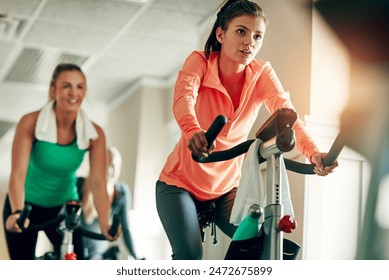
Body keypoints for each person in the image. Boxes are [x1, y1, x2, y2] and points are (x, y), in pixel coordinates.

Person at [155, 0, 338, 260]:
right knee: (189, 258)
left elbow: (288, 116)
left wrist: (314, 154)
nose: (249, 41)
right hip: (179, 184)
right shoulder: (200, 62)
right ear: (221, 34)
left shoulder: (261, 73)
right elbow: (183, 98)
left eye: (257, 36)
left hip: (225, 188)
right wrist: (194, 131)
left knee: (265, 245)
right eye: (241, 31)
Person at [2, 63, 117, 260]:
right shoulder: (30, 122)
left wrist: (105, 223)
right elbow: (18, 174)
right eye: (66, 86)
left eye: (79, 87)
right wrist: (17, 212)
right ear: (53, 89)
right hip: (24, 204)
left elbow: (98, 182)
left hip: (62, 209)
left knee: (76, 261)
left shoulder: (95, 134)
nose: (73, 93)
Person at [77, 146, 143, 260]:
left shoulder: (122, 192)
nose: (108, 170)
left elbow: (126, 229)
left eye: (112, 166)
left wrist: (136, 256)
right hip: (78, 252)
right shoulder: (80, 184)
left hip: (99, 255)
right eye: (105, 165)